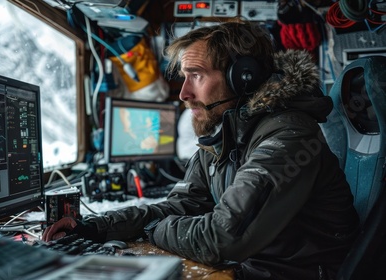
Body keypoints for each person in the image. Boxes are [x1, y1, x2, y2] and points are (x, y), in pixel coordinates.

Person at [42, 21, 359, 279]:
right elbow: (181, 206)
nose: (183, 93)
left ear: (242, 78)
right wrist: (96, 227)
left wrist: (152, 230)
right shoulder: (224, 137)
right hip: (256, 266)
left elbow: (223, 238)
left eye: (196, 75)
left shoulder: (290, 136)